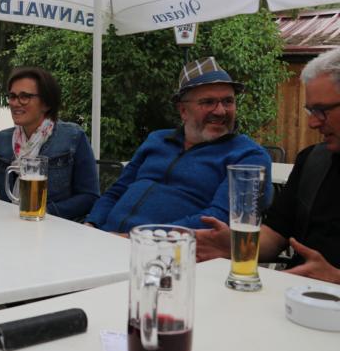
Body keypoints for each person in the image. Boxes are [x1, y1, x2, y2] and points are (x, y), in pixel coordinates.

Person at [197, 48, 340, 284]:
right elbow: (275, 235)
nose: (313, 123)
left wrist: (335, 278)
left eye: (322, 111)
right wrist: (235, 245)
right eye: (311, 111)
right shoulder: (313, 161)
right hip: (293, 295)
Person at [85, 57, 272, 233]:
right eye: (208, 102)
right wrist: (91, 224)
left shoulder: (248, 156)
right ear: (183, 111)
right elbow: (116, 191)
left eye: (228, 101)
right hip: (107, 239)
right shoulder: (157, 140)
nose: (221, 111)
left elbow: (219, 218)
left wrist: (141, 238)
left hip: (173, 250)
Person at [0, 67, 100, 220]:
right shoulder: (2, 140)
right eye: (12, 96)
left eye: (24, 97)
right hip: (9, 226)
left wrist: (46, 211)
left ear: (46, 104)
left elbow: (89, 196)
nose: (15, 103)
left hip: (57, 229)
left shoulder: (73, 137)